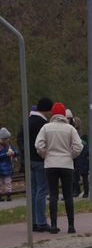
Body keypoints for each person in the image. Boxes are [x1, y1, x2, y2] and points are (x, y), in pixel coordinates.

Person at [34, 102, 83, 234]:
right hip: (66, 165)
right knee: (68, 195)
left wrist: (45, 155)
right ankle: (71, 226)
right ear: (63, 114)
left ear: (53, 113)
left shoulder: (46, 128)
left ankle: (54, 225)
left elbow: (39, 145)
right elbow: (79, 146)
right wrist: (70, 155)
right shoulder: (70, 129)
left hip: (50, 165)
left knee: (53, 195)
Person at [18, 97, 53, 232]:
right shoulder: (42, 123)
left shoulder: (27, 121)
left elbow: (20, 138)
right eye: (50, 110)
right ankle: (41, 222)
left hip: (28, 161)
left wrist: (25, 155)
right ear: (46, 109)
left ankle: (33, 222)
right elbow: (44, 143)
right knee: (42, 191)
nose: (50, 113)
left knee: (32, 191)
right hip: (39, 160)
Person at [0, 128, 19, 202]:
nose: (8, 140)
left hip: (7, 167)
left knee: (8, 182)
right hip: (2, 167)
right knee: (1, 182)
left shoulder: (9, 146)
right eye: (6, 139)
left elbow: (16, 151)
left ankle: (8, 194)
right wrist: (6, 154)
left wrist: (13, 153)